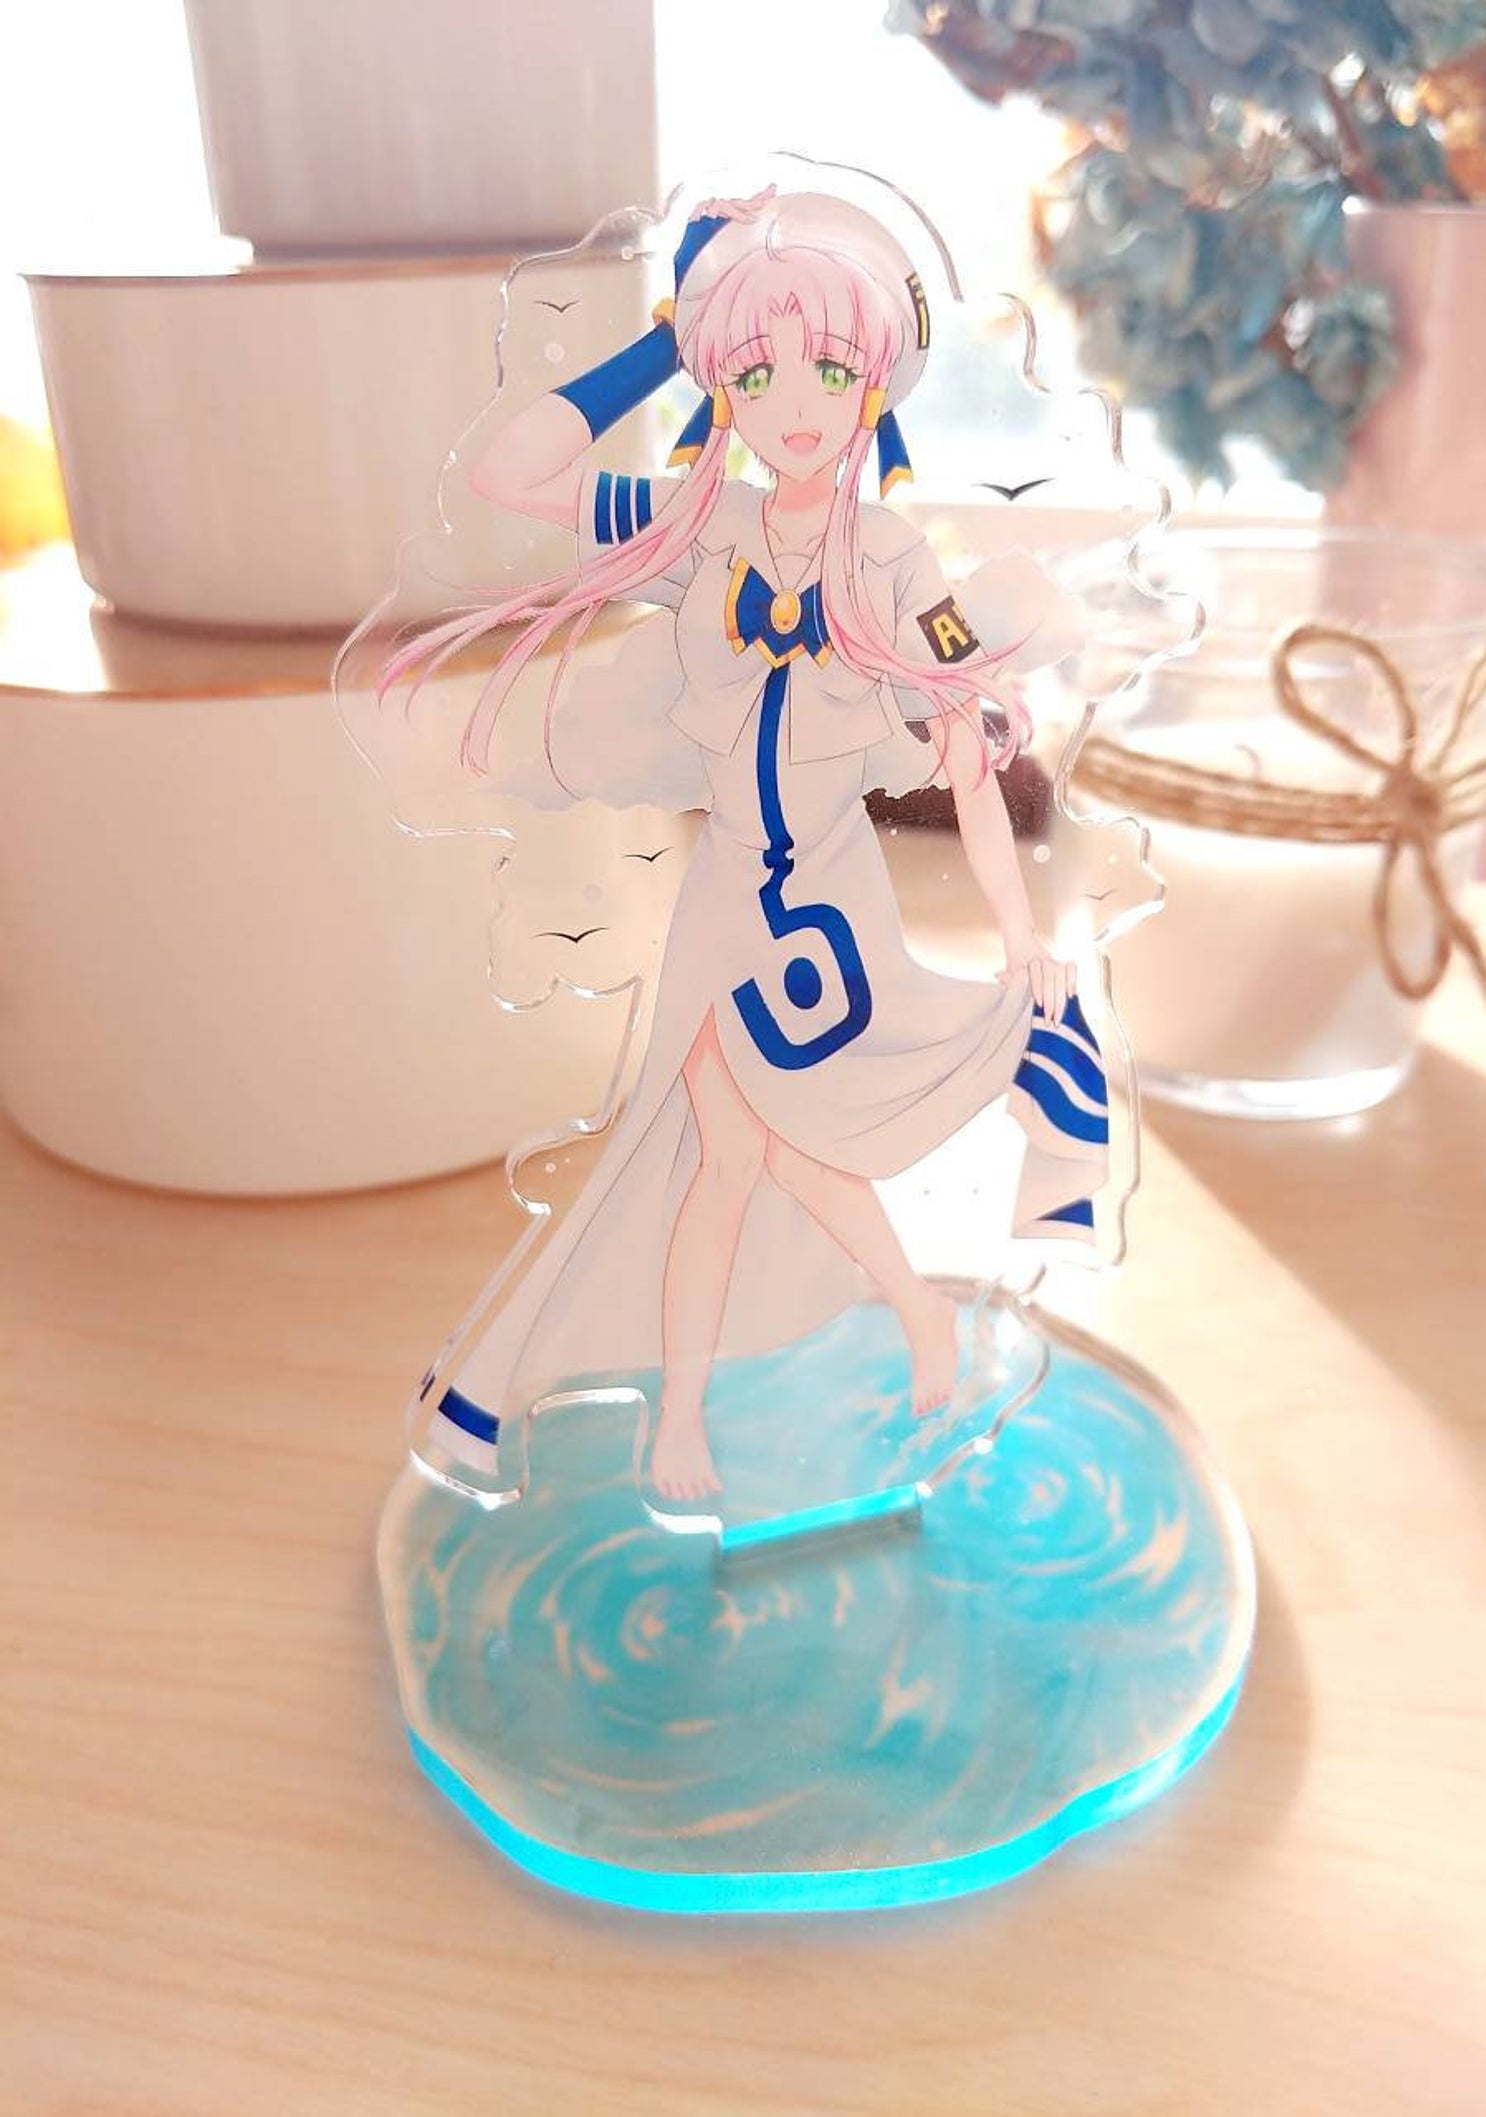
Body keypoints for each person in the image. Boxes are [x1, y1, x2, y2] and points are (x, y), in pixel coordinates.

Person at [378, 185, 1111, 1507]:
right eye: (756, 372)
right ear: (723, 387)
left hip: (829, 898)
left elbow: (966, 753)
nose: (795, 402)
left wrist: (1022, 934)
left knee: (750, 1140)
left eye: (826, 366)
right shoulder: (698, 528)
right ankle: (756, 1388)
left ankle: (732, 1398)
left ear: (874, 378)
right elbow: (509, 474)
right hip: (724, 889)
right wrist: (665, 337)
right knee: (725, 1146)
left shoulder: (895, 561)